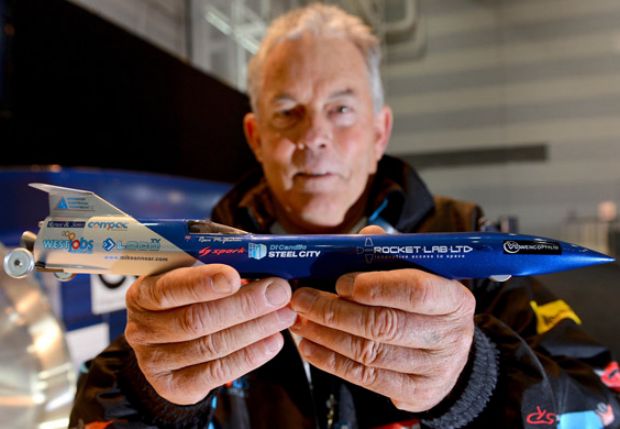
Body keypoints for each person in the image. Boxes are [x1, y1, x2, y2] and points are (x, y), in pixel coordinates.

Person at [70, 4, 620, 428]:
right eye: (288, 112)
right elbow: (95, 410)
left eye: (341, 108)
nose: (314, 138)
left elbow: (600, 404)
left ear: (379, 132)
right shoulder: (196, 264)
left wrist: (476, 381)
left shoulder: (475, 254)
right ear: (256, 138)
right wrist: (153, 397)